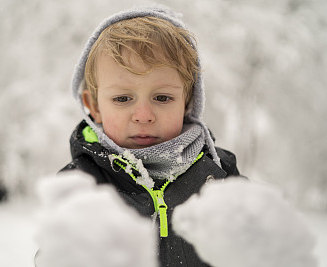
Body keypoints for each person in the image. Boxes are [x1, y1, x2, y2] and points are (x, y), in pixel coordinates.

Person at [59, 5, 240, 267]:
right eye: (122, 98)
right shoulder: (82, 184)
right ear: (94, 106)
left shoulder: (218, 173)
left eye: (162, 97)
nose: (143, 115)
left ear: (186, 101)